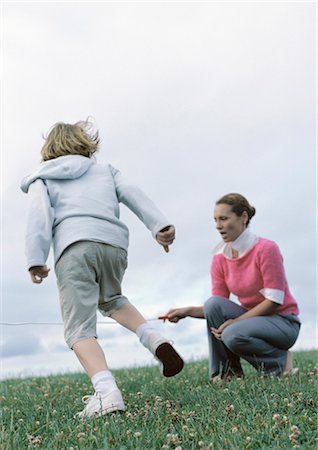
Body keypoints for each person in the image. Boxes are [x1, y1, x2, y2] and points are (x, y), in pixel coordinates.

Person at [21, 119, 183, 418]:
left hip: (75, 247)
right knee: (112, 299)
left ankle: (107, 394)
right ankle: (154, 338)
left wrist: (35, 258)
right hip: (114, 245)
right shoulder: (106, 171)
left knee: (79, 328)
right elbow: (134, 193)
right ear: (86, 144)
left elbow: (38, 217)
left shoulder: (42, 178)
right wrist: (159, 225)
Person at [165, 193, 300, 381]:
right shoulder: (220, 257)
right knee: (213, 303)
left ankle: (280, 361)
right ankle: (227, 372)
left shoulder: (266, 249)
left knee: (232, 334)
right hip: (252, 321)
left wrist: (236, 322)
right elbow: (217, 308)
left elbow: (274, 301)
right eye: (215, 220)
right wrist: (187, 311)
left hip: (283, 322)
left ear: (243, 217)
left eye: (224, 218)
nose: (218, 226)